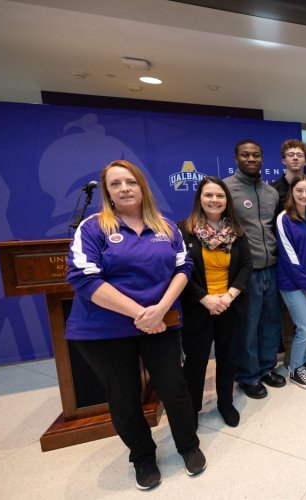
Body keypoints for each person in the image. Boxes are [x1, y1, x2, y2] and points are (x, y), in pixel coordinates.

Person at [66, 160, 205, 491]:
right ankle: (143, 457)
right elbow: (83, 277)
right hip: (106, 330)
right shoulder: (94, 227)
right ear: (108, 192)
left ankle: (189, 445)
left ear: (142, 186)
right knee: (124, 397)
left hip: (160, 324)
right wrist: (140, 314)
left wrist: (160, 311)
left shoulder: (166, 227)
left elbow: (183, 267)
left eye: (130, 181)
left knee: (174, 388)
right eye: (115, 184)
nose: (124, 188)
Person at [179, 177, 252, 428]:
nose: (214, 200)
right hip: (198, 306)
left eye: (220, 196)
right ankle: (192, 408)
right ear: (199, 198)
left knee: (227, 357)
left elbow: (246, 265)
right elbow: (179, 270)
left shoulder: (237, 231)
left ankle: (225, 403)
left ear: (226, 200)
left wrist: (229, 296)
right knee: (196, 360)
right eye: (209, 195)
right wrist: (204, 298)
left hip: (229, 306)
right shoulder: (183, 231)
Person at [225, 139, 285, 399]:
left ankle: (266, 367)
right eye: (245, 155)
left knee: (271, 321)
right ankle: (247, 376)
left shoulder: (271, 192)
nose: (251, 159)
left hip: (271, 267)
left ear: (262, 158)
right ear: (236, 158)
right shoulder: (226, 189)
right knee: (248, 325)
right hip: (244, 272)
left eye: (256, 155)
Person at [276, 174, 306, 389]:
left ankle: (304, 365)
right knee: (305, 327)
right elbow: (288, 256)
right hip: (292, 284)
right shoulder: (284, 218)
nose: (304, 195)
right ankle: (295, 369)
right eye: (299, 191)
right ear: (292, 192)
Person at [271, 139, 306, 368]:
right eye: (290, 154)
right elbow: (287, 252)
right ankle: (295, 362)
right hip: (290, 274)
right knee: (297, 322)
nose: (304, 194)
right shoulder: (274, 193)